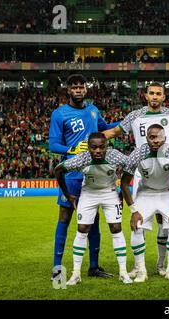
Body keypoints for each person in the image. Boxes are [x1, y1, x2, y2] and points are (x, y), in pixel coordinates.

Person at [103, 82, 169, 277]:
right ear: (145, 96)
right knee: (140, 222)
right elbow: (114, 132)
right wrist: (92, 138)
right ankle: (140, 267)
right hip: (142, 171)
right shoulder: (135, 116)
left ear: (164, 97)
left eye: (159, 94)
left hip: (167, 170)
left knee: (167, 223)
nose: (155, 97)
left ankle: (162, 264)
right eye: (151, 93)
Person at [49, 74, 119, 280]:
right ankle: (57, 268)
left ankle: (94, 267)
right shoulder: (59, 114)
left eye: (81, 87)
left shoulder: (93, 110)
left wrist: (131, 120)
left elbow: (106, 129)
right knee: (65, 217)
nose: (78, 90)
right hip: (71, 175)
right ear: (68, 90)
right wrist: (72, 149)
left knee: (94, 220)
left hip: (93, 174)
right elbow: (52, 145)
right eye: (74, 87)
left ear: (86, 89)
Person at [54, 132, 132, 285]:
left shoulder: (115, 156)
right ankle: (76, 274)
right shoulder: (82, 158)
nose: (98, 151)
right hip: (89, 193)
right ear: (88, 148)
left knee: (116, 228)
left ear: (107, 147)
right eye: (94, 147)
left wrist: (122, 190)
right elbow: (58, 170)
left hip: (109, 192)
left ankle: (123, 273)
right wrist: (68, 195)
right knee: (82, 229)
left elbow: (131, 165)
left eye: (101, 147)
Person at [120, 124, 169, 282]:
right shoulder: (138, 153)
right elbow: (124, 183)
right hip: (146, 193)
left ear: (165, 138)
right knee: (137, 226)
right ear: (146, 138)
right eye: (151, 137)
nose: (155, 141)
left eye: (159, 137)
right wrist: (134, 210)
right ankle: (141, 270)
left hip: (168, 192)